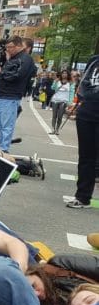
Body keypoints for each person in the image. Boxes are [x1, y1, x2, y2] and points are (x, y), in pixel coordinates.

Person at [0, 36, 37, 151]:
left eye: (10, 47)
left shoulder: (25, 59)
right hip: (2, 95)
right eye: (7, 47)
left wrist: (0, 73)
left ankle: (3, 148)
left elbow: (18, 76)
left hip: (10, 95)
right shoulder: (13, 58)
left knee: (6, 125)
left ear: (18, 46)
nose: (8, 50)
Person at [67, 50, 98, 209]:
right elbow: (83, 84)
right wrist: (78, 103)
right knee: (86, 157)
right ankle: (83, 196)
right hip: (86, 114)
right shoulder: (93, 60)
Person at [49, 70, 74, 135]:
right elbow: (52, 88)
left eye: (65, 73)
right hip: (55, 100)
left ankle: (57, 130)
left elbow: (71, 93)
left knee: (60, 116)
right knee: (54, 115)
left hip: (64, 101)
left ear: (68, 74)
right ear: (61, 74)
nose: (64, 74)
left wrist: (70, 102)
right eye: (63, 73)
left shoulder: (71, 83)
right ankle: (53, 129)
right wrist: (55, 82)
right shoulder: (57, 81)